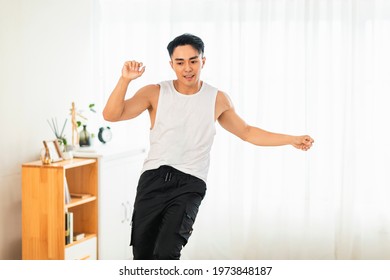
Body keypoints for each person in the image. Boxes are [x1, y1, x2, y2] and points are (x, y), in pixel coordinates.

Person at [103, 33, 314, 260]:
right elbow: (112, 114)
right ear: (171, 64)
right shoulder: (155, 92)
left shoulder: (217, 98)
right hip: (153, 179)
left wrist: (291, 138)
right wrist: (125, 80)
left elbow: (247, 132)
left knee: (166, 252)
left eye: (193, 61)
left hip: (190, 182)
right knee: (142, 255)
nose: (187, 68)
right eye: (180, 62)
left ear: (203, 61)